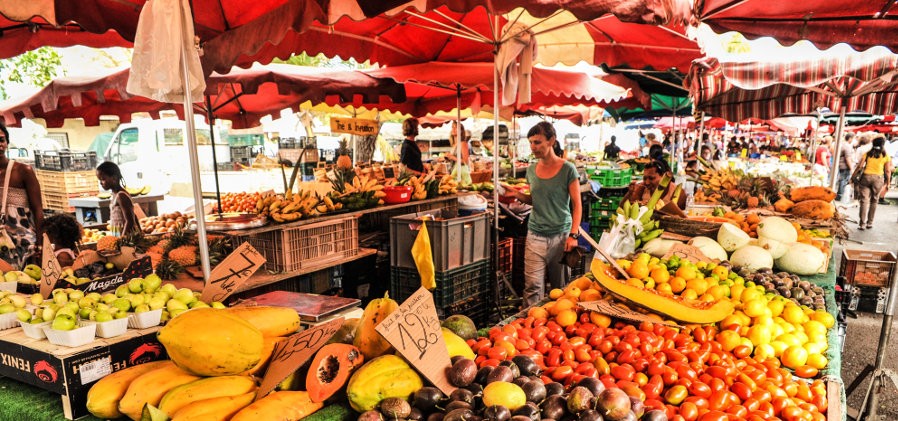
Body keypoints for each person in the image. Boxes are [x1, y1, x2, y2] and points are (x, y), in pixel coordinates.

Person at [500, 122, 582, 307]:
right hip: (535, 235)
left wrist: (573, 235)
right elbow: (536, 200)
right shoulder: (531, 170)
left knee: (560, 288)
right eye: (531, 142)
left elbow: (577, 206)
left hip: (561, 235)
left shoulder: (568, 169)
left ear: (551, 140)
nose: (533, 147)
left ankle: (558, 324)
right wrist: (517, 194)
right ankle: (530, 325)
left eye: (537, 142)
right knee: (532, 287)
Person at [0, 124, 43, 269]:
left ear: (7, 142)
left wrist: (41, 242)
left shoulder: (23, 171)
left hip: (24, 243)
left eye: (1, 140)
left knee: (29, 283)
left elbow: (38, 209)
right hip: (2, 245)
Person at [854, 136, 892, 230]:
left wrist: (853, 176)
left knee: (864, 200)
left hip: (866, 177)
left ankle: (861, 224)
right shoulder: (885, 155)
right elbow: (887, 170)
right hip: (878, 179)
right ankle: (869, 223)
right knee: (874, 200)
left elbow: (860, 166)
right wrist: (888, 182)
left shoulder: (867, 154)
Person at [96, 162, 141, 237]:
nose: (101, 183)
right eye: (99, 180)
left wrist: (122, 239)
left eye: (103, 179)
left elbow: (130, 220)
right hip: (119, 233)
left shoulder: (121, 196)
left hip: (127, 237)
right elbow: (133, 214)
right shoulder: (114, 194)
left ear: (114, 178)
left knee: (126, 249)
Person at [622, 159, 687, 210]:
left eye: (651, 178)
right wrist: (629, 193)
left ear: (663, 176)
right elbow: (622, 208)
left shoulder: (677, 192)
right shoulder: (642, 188)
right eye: (645, 178)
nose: (647, 182)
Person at [836, 133, 855, 202]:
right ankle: (840, 195)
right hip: (845, 166)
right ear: (850, 138)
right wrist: (851, 168)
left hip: (841, 165)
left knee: (842, 180)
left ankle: (839, 195)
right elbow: (848, 158)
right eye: (853, 138)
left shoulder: (842, 145)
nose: (853, 140)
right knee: (843, 181)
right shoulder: (847, 146)